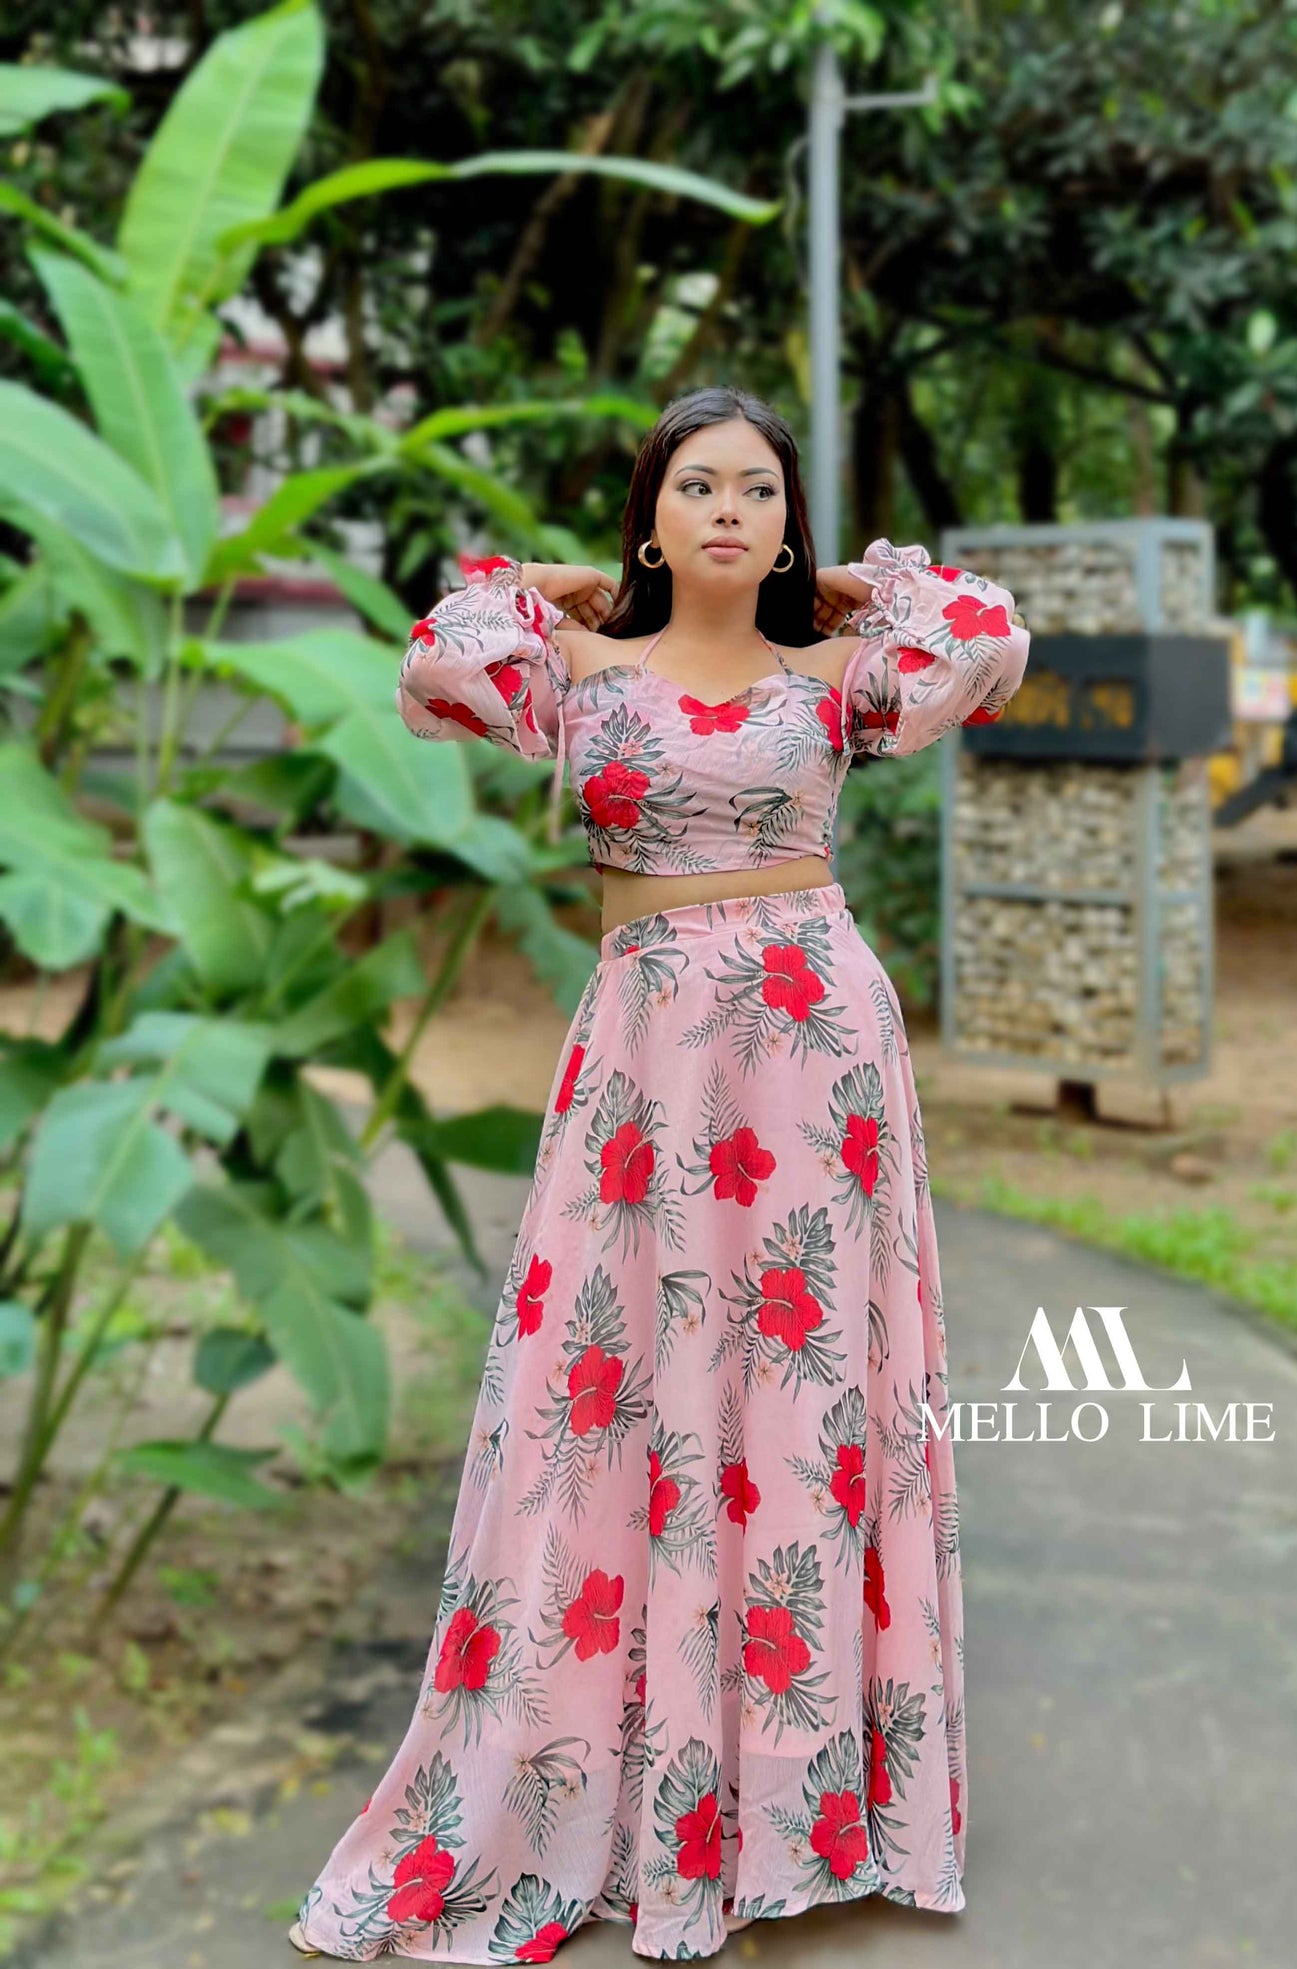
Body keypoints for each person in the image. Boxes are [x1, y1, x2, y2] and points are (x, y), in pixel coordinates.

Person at [291, 385, 1029, 1964]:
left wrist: (860, 591)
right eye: (695, 484)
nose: (725, 510)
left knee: (805, 1394)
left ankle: (801, 1795)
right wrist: (542, 591)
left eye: (756, 491)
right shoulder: (578, 667)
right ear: (648, 513)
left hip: (814, 1049)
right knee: (604, 1389)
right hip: (645, 1054)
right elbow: (436, 663)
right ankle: (594, 1783)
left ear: (784, 525)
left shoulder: (837, 673)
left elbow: (980, 635)